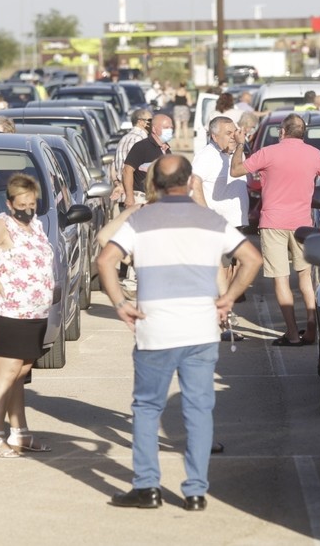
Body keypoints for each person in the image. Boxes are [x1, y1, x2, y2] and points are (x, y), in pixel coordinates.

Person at [98, 154, 262, 511]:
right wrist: (229, 298)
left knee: (147, 407)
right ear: (190, 183)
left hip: (155, 328)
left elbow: (105, 259)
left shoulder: (141, 220)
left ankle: (147, 487)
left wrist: (119, 302)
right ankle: (196, 491)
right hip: (201, 328)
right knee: (199, 409)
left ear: (154, 184)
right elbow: (252, 259)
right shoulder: (211, 221)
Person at [230, 113, 320, 346]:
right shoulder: (314, 154)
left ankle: (291, 334)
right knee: (306, 278)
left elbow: (236, 170)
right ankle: (311, 329)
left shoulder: (269, 152)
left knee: (281, 279)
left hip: (273, 223)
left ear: (282, 131)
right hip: (303, 225)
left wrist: (239, 144)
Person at [0, 173, 55, 458]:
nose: (28, 209)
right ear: (10, 204)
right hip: (7, 312)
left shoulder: (38, 226)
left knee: (20, 374)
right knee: (6, 373)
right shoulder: (2, 225)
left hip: (34, 313)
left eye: (32, 203)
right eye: (22, 203)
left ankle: (21, 434)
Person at [192, 116, 251, 338]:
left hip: (236, 223)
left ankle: (222, 315)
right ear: (214, 136)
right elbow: (194, 182)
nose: (234, 136)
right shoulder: (207, 156)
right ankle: (219, 321)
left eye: (235, 131)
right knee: (220, 272)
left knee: (231, 271)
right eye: (229, 133)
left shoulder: (233, 154)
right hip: (219, 224)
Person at [123, 113, 173, 207]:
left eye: (171, 127)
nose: (170, 130)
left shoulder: (166, 150)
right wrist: (129, 197)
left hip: (158, 200)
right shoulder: (142, 146)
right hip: (142, 199)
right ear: (154, 129)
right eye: (166, 128)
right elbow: (127, 170)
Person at [110, 108, 152, 210]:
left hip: (123, 196)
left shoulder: (123, 139)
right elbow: (131, 169)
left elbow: (113, 167)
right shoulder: (142, 139)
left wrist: (118, 184)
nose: (152, 123)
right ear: (141, 122)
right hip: (137, 197)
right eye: (150, 120)